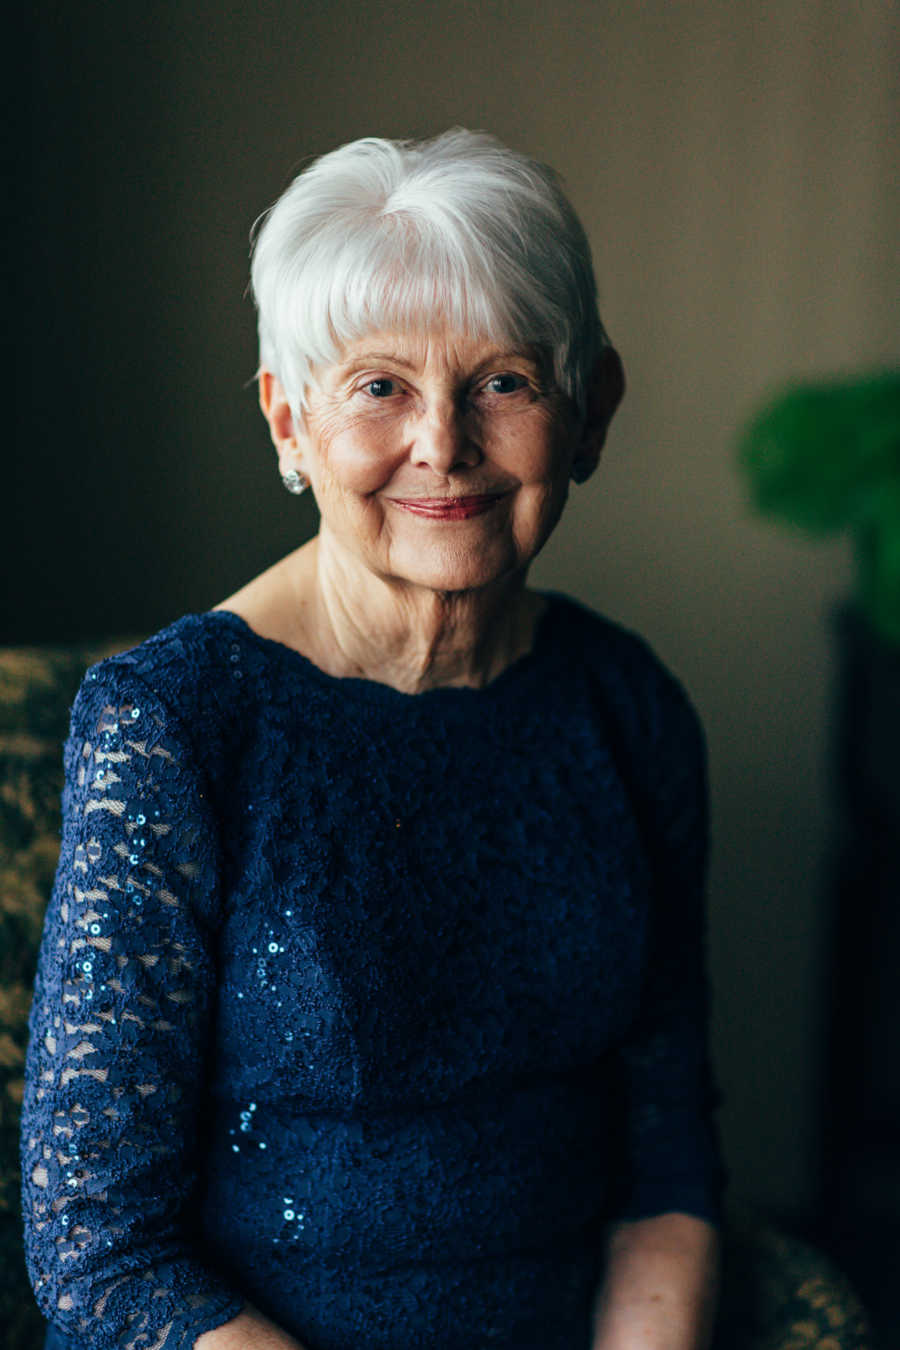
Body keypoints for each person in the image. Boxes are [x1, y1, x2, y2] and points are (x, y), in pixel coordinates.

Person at [20, 128, 727, 1350]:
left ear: (591, 410)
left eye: (504, 380)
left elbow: (666, 1165)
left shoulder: (627, 706)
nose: (442, 445)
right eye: (379, 387)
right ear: (290, 422)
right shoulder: (178, 723)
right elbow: (101, 1250)